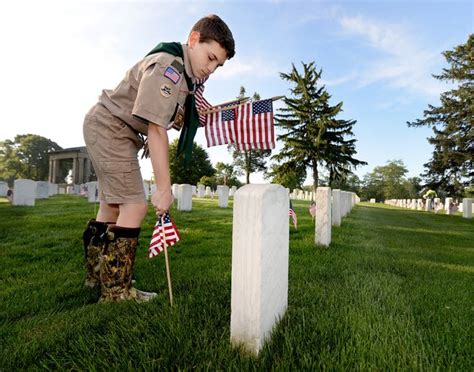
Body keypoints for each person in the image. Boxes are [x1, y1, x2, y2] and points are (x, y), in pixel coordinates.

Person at [82, 15, 235, 303]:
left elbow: (165, 117)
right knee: (135, 205)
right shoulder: (169, 68)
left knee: (111, 205)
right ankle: (116, 291)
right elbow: (156, 129)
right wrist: (164, 190)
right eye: (211, 57)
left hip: (109, 125)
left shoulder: (185, 75)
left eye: (218, 65)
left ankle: (98, 275)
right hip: (112, 127)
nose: (212, 68)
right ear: (193, 39)